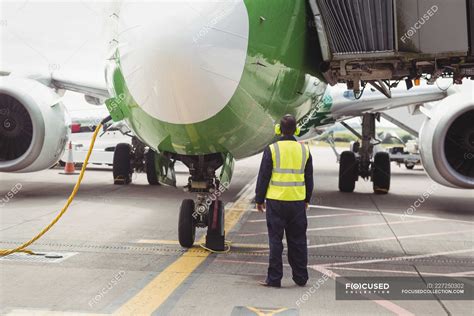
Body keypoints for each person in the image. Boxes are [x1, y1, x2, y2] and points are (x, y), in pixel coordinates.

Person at [255, 114, 313, 288]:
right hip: (296, 201)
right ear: (296, 129)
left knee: (275, 241)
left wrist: (259, 199)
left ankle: (274, 279)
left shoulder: (272, 149)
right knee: (298, 240)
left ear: (278, 129)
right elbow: (308, 178)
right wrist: (306, 199)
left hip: (276, 201)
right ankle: (301, 277)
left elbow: (263, 176)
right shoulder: (305, 150)